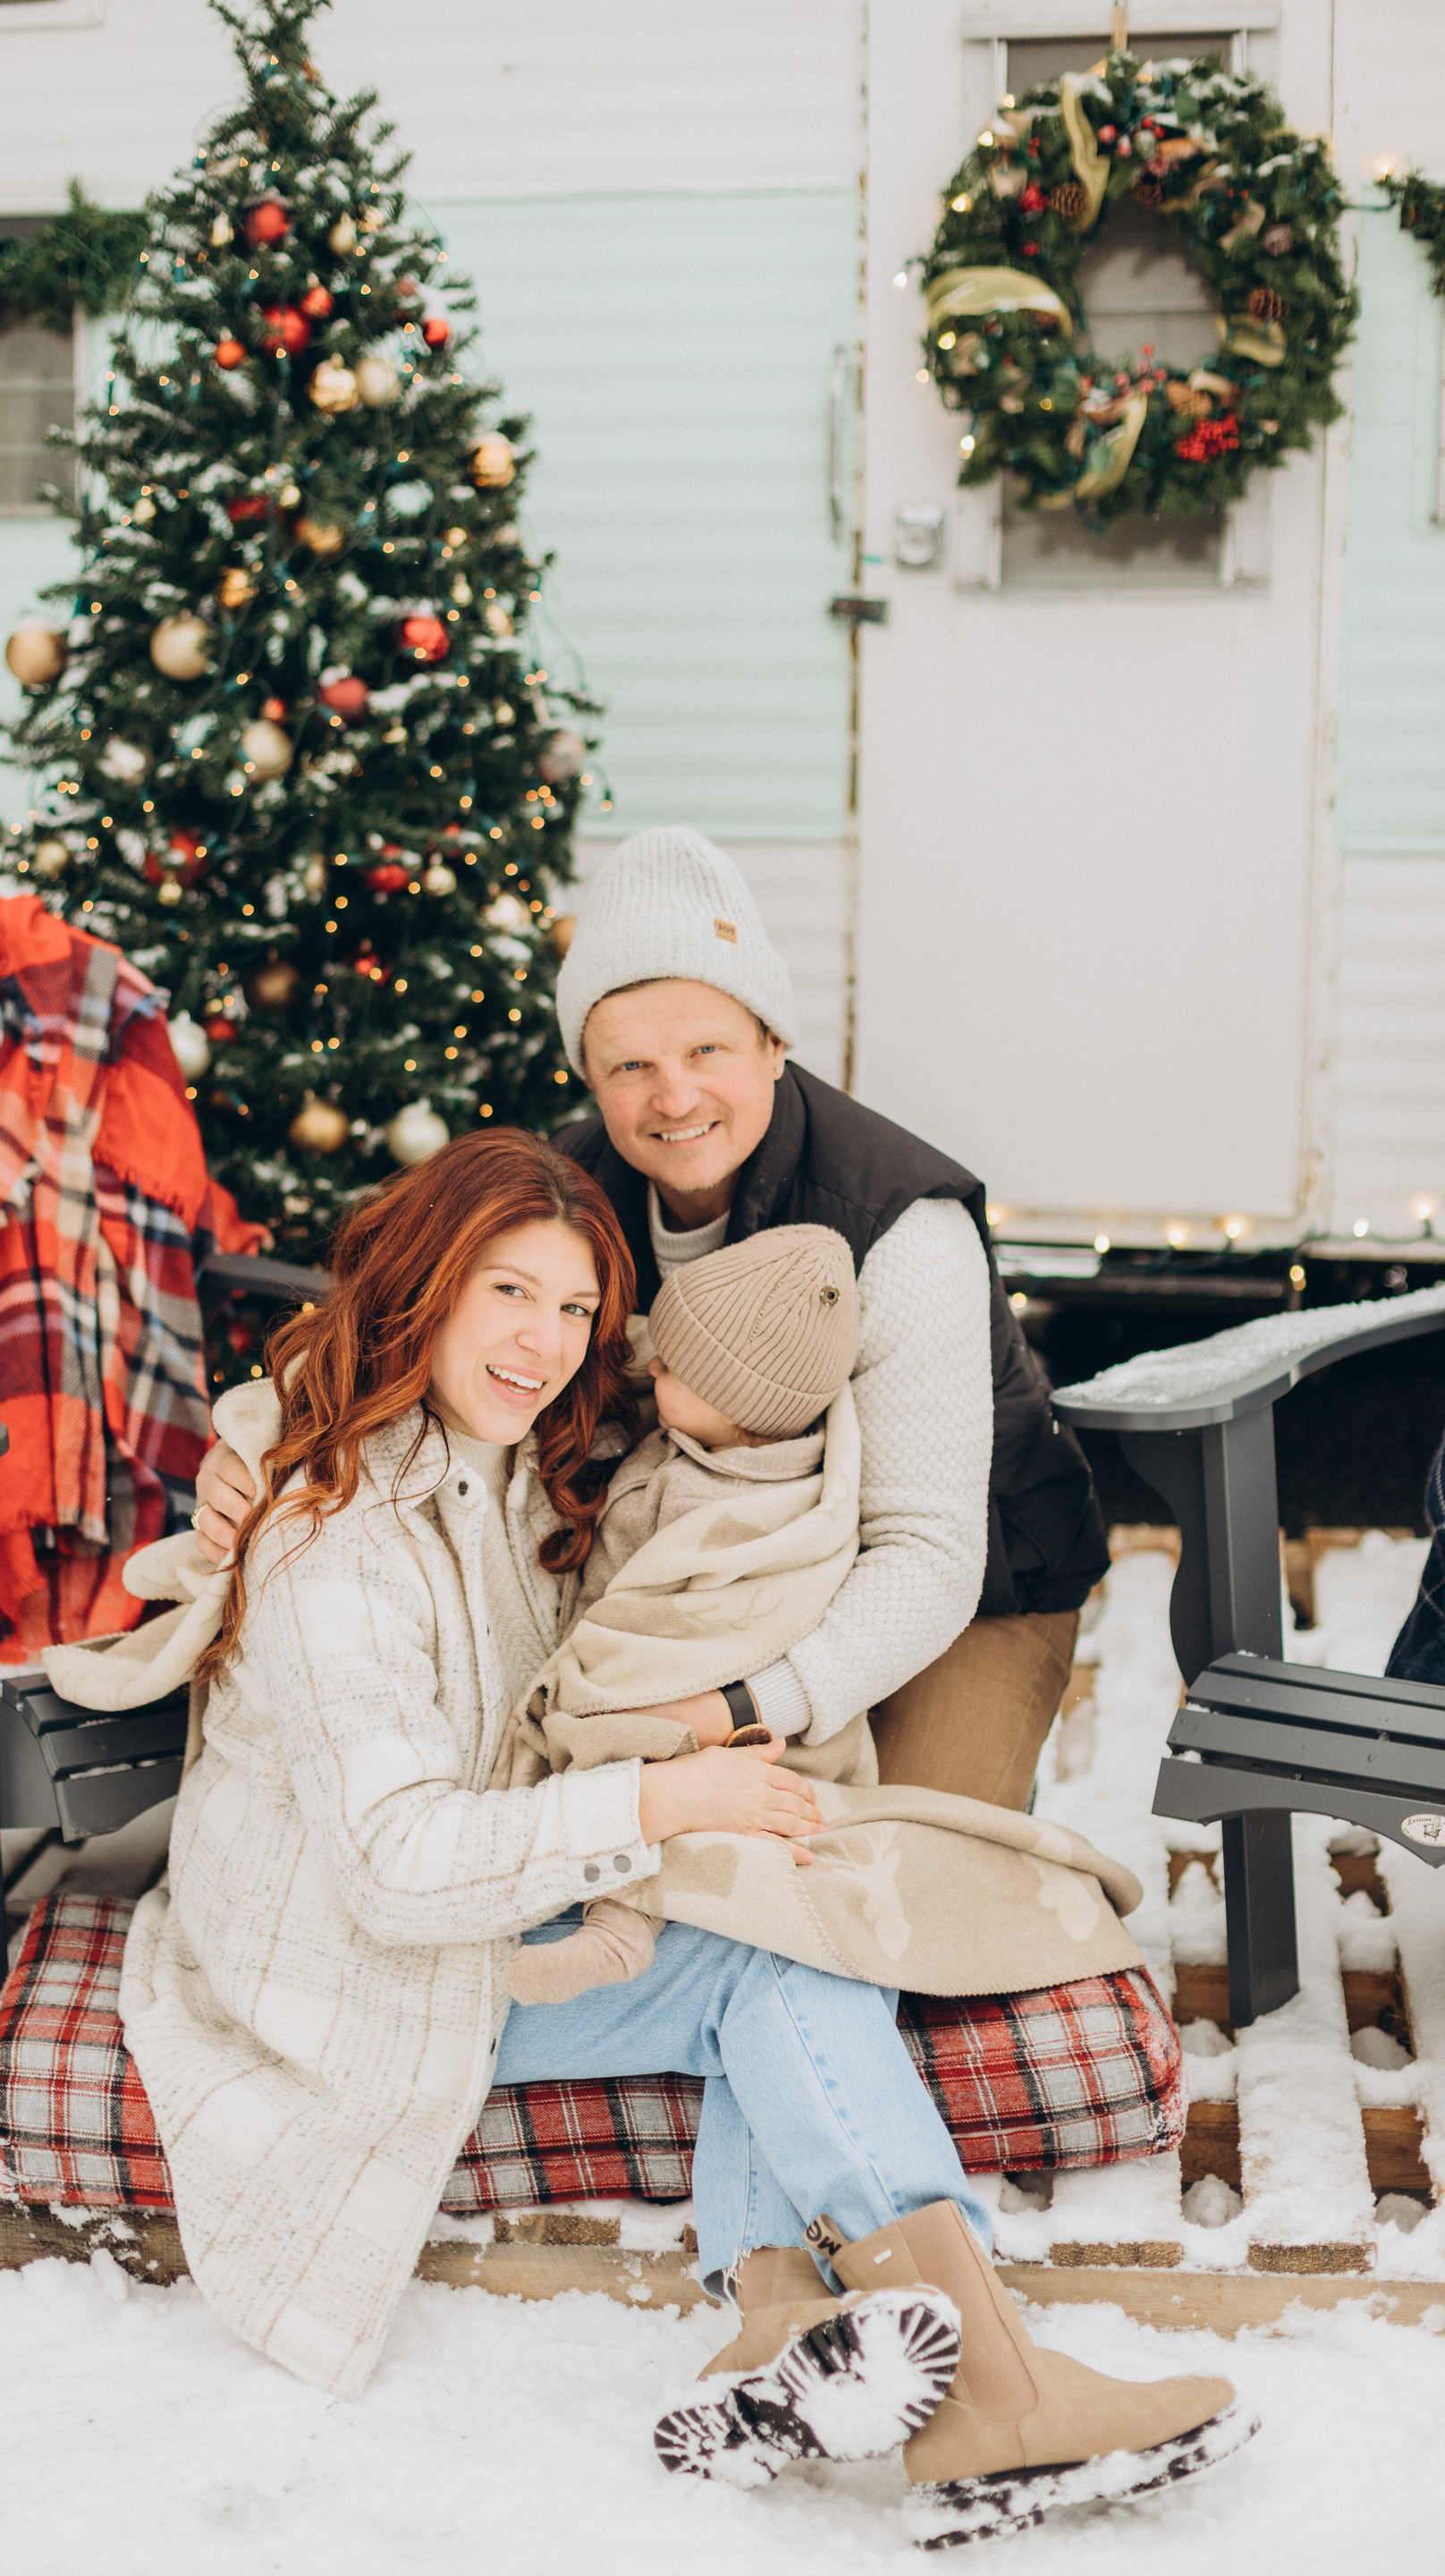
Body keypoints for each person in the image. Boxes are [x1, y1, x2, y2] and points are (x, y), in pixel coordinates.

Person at [128, 1128, 1248, 2542]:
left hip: (480, 1892)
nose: (544, 1342)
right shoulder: (334, 1548)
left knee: (796, 1900)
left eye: (574, 1307)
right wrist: (663, 1801)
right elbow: (395, 1871)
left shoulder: (504, 1450)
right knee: (779, 1958)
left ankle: (781, 2334)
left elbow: (735, 1395)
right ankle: (993, 2394)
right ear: (423, 1287)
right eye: (507, 1293)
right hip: (351, 1963)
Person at [195, 826, 1109, 1813]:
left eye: (707, 1050)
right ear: (589, 1075)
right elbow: (401, 1324)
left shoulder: (898, 1222)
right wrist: (262, 1443)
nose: (674, 1098)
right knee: (613, 1841)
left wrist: (738, 1710)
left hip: (974, 1591)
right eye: (630, 1066)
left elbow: (928, 1553)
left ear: (774, 1044)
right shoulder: (566, 1192)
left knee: (911, 1865)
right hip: (703, 1583)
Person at [503, 1219, 865, 2005]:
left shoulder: (736, 1499)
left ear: (734, 1402)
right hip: (679, 1678)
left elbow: (692, 1622)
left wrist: (614, 1686)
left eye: (671, 1366)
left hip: (701, 1690)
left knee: (641, 1767)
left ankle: (619, 1931)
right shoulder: (707, 1432)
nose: (649, 1365)